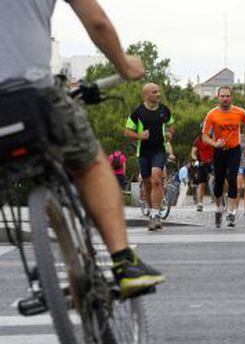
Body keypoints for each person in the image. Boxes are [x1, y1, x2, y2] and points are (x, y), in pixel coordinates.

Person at [0, 0, 165, 298]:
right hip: (33, 95)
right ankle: (122, 261)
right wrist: (125, 66)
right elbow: (97, 22)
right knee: (90, 165)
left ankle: (43, 275)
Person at [124, 83, 174, 231]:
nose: (158, 94)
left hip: (160, 150)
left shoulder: (164, 110)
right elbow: (127, 132)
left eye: (159, 91)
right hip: (144, 152)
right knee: (147, 183)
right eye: (155, 92)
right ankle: (152, 210)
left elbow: (171, 126)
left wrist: (170, 134)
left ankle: (155, 215)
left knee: (156, 179)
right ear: (146, 95)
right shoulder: (138, 112)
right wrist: (140, 135)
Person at [202, 86, 245, 228]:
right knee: (218, 182)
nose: (225, 99)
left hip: (234, 150)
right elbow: (204, 136)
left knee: (232, 179)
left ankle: (231, 213)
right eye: (222, 96)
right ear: (218, 97)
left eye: (227, 96)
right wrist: (214, 143)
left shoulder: (240, 112)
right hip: (219, 151)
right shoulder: (212, 114)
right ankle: (218, 209)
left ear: (231, 97)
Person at [191, 125, 214, 212]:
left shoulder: (213, 138)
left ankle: (226, 194)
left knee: (221, 179)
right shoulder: (198, 140)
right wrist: (195, 158)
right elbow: (193, 151)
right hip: (203, 162)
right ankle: (200, 203)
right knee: (202, 183)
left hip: (213, 161)